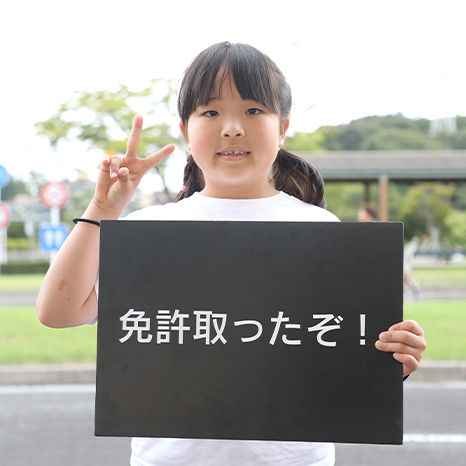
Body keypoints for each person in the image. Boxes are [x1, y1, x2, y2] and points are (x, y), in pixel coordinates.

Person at [36, 42, 426, 466]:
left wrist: (390, 361)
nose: (232, 127)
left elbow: (338, 351)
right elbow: (59, 311)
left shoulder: (321, 232)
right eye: (210, 112)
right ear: (185, 131)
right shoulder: (147, 232)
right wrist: (104, 209)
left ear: (283, 128)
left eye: (254, 110)